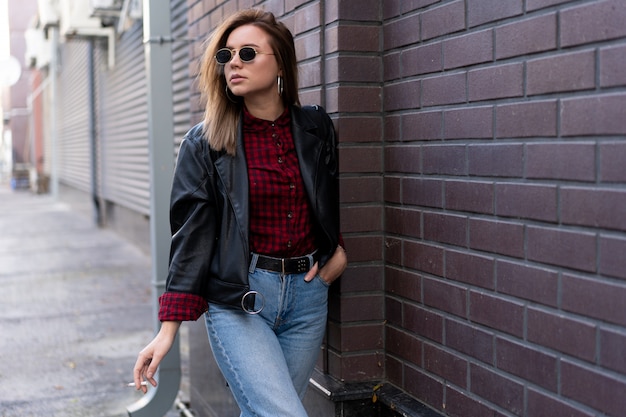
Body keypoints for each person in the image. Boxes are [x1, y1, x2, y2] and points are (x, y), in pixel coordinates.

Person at [132, 8, 347, 417]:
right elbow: (191, 239)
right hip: (241, 299)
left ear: (280, 61)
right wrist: (167, 330)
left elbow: (331, 201)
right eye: (226, 55)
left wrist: (336, 255)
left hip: (307, 298)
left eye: (247, 53)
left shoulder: (316, 127)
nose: (233, 62)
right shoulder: (205, 143)